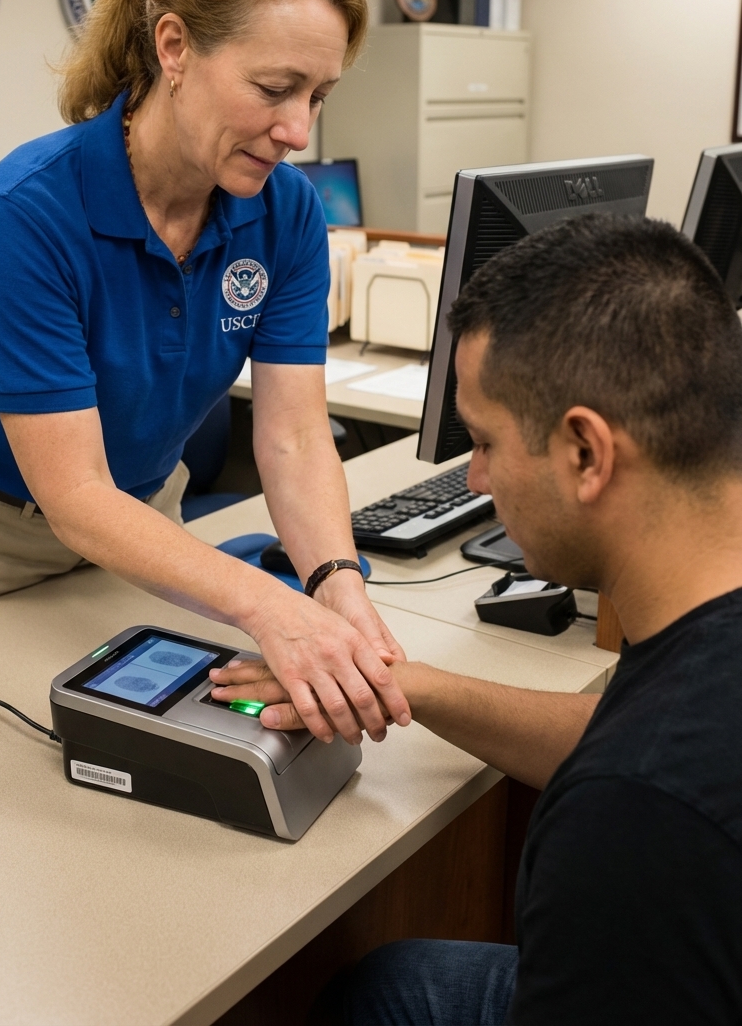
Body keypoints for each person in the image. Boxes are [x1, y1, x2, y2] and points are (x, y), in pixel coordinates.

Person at [0, 0, 410, 748]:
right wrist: (268, 606)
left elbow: (290, 435)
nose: (297, 131)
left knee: (157, 731)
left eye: (318, 96)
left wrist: (334, 582)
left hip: (145, 506)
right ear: (174, 47)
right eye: (275, 89)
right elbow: (74, 496)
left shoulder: (284, 213)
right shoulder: (26, 213)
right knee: (6, 761)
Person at [210, 213, 742, 1025]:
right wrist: (402, 684)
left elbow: (636, 769)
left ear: (586, 454)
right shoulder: (699, 623)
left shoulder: (633, 820)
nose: (475, 481)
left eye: (485, 442)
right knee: (387, 989)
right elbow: (621, 727)